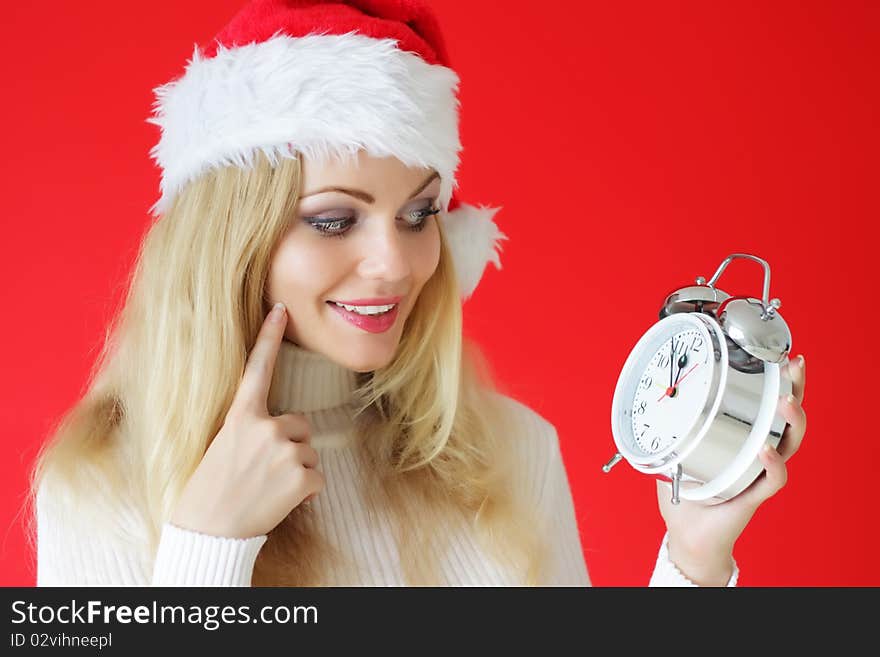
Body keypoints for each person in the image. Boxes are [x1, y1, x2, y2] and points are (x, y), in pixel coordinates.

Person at [28, 0, 807, 587]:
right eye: (334, 219)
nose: (395, 264)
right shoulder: (99, 486)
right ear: (232, 241)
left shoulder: (508, 450)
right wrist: (208, 546)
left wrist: (696, 555)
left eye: (419, 213)